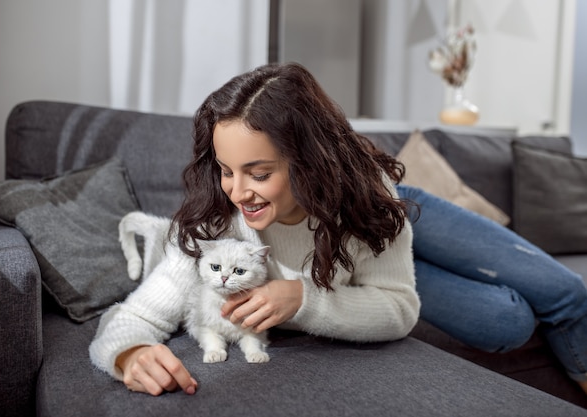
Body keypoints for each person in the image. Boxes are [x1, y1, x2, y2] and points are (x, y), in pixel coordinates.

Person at [89, 62, 587, 397]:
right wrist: (129, 353)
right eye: (225, 169)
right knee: (508, 324)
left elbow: (397, 310)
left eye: (259, 173)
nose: (237, 191)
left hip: (379, 212)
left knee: (568, 291)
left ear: (308, 162)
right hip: (361, 250)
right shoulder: (213, 226)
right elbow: (131, 319)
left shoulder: (366, 193)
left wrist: (302, 298)